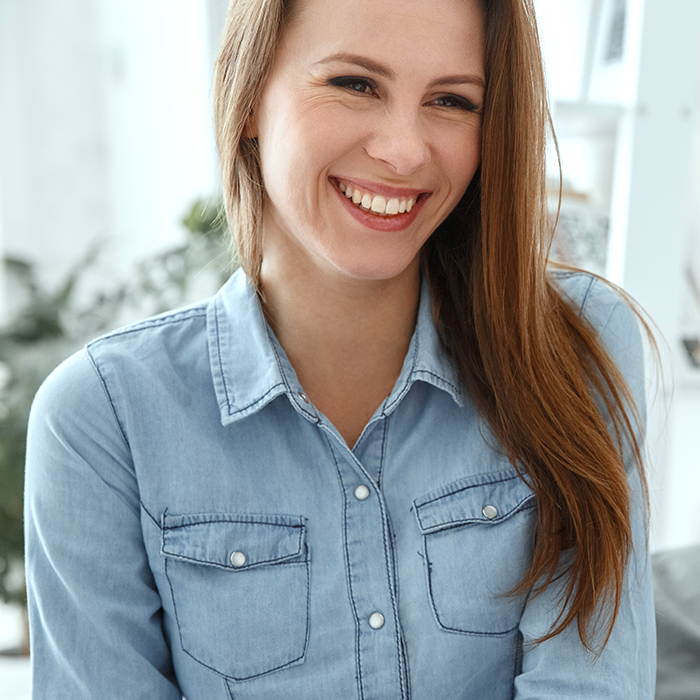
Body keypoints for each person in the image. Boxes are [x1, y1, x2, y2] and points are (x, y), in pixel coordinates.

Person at [24, 0, 656, 697]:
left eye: (452, 100)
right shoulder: (105, 419)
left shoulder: (575, 349)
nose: (405, 149)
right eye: (356, 84)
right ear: (248, 96)